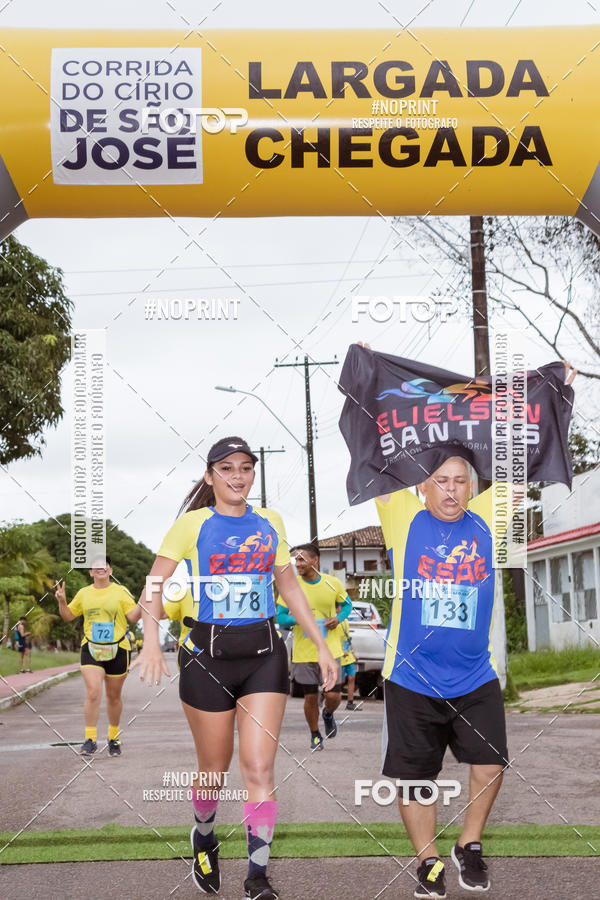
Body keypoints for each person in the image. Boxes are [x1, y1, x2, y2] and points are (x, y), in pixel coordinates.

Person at [132, 436, 337, 900]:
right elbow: (154, 584)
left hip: (264, 655)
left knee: (260, 769)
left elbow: (290, 589)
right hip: (207, 660)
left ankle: (257, 876)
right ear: (210, 476)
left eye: (246, 468)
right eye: (227, 468)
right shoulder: (192, 525)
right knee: (213, 769)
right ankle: (203, 833)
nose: (238, 476)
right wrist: (149, 642)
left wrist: (322, 647)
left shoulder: (271, 523)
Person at [56, 556, 141, 757]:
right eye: (96, 566)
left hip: (118, 648)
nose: (101, 568)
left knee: (113, 697)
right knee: (93, 692)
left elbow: (133, 616)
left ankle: (113, 737)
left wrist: (146, 599)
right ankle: (90, 739)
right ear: (91, 572)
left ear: (110, 570)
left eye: (105, 565)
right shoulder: (84, 593)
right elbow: (68, 616)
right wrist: (62, 601)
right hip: (91, 647)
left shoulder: (121, 591)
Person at [276, 544, 352, 751]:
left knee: (333, 696)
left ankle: (328, 713)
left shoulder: (333, 583)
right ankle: (314, 734)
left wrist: (338, 619)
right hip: (304, 653)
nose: (297, 564)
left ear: (315, 560)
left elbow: (347, 605)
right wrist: (299, 619)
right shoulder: (292, 587)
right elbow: (280, 616)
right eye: (295, 560)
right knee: (310, 697)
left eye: (301, 559)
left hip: (331, 650)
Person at [335, 603, 359, 711]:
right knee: (341, 680)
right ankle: (324, 696)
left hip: (348, 655)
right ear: (336, 609)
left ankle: (350, 703)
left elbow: (348, 638)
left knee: (352, 677)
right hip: (338, 655)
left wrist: (353, 653)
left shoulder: (345, 621)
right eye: (340, 607)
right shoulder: (332, 622)